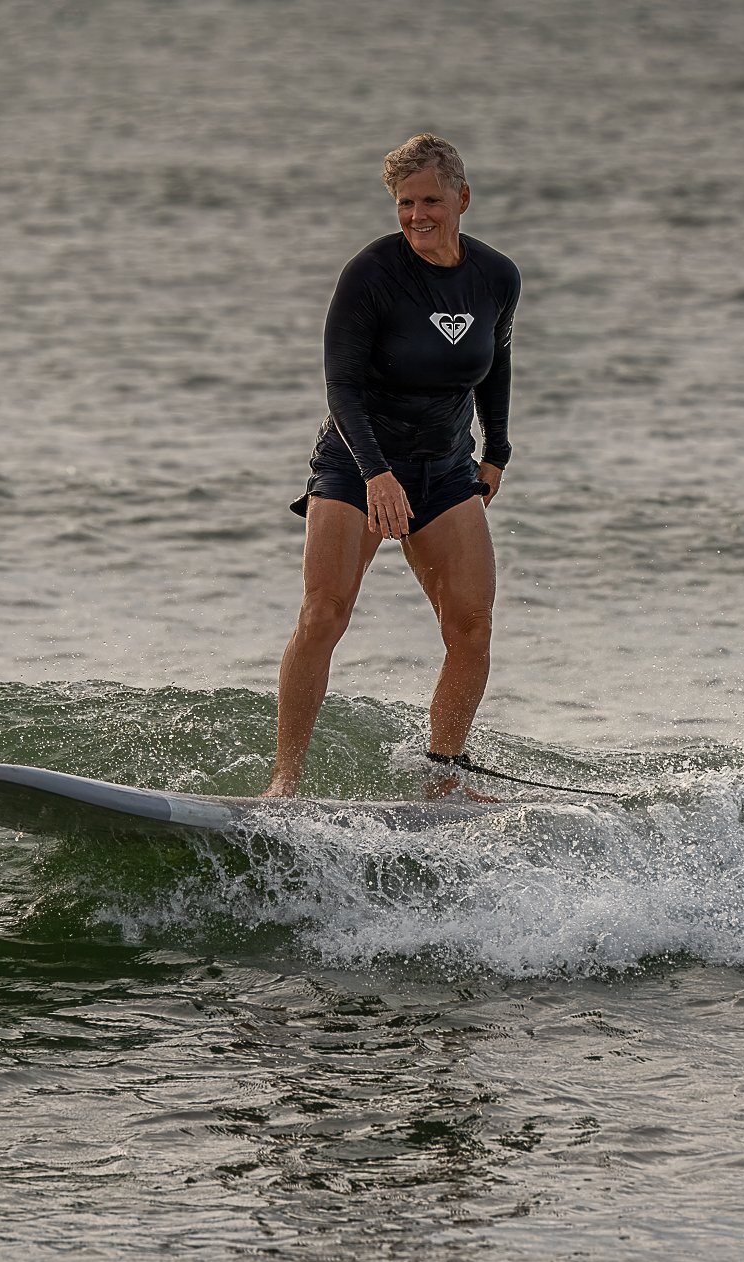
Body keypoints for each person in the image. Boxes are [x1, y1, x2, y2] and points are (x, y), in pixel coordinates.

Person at [264, 133, 521, 799]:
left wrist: (497, 451)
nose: (417, 215)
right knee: (324, 613)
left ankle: (442, 777)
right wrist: (376, 473)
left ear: (462, 198)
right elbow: (341, 387)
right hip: (356, 466)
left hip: (444, 469)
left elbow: (495, 367)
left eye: (430, 200)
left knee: (471, 625)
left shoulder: (496, 277)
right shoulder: (372, 275)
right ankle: (285, 781)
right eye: (404, 203)